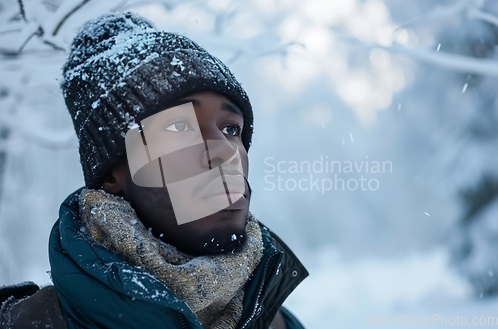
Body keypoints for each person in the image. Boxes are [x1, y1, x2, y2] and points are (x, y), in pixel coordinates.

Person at [0, 12, 308, 329]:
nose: (225, 152)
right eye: (178, 126)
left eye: (231, 129)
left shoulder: (280, 324)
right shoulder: (26, 322)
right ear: (111, 173)